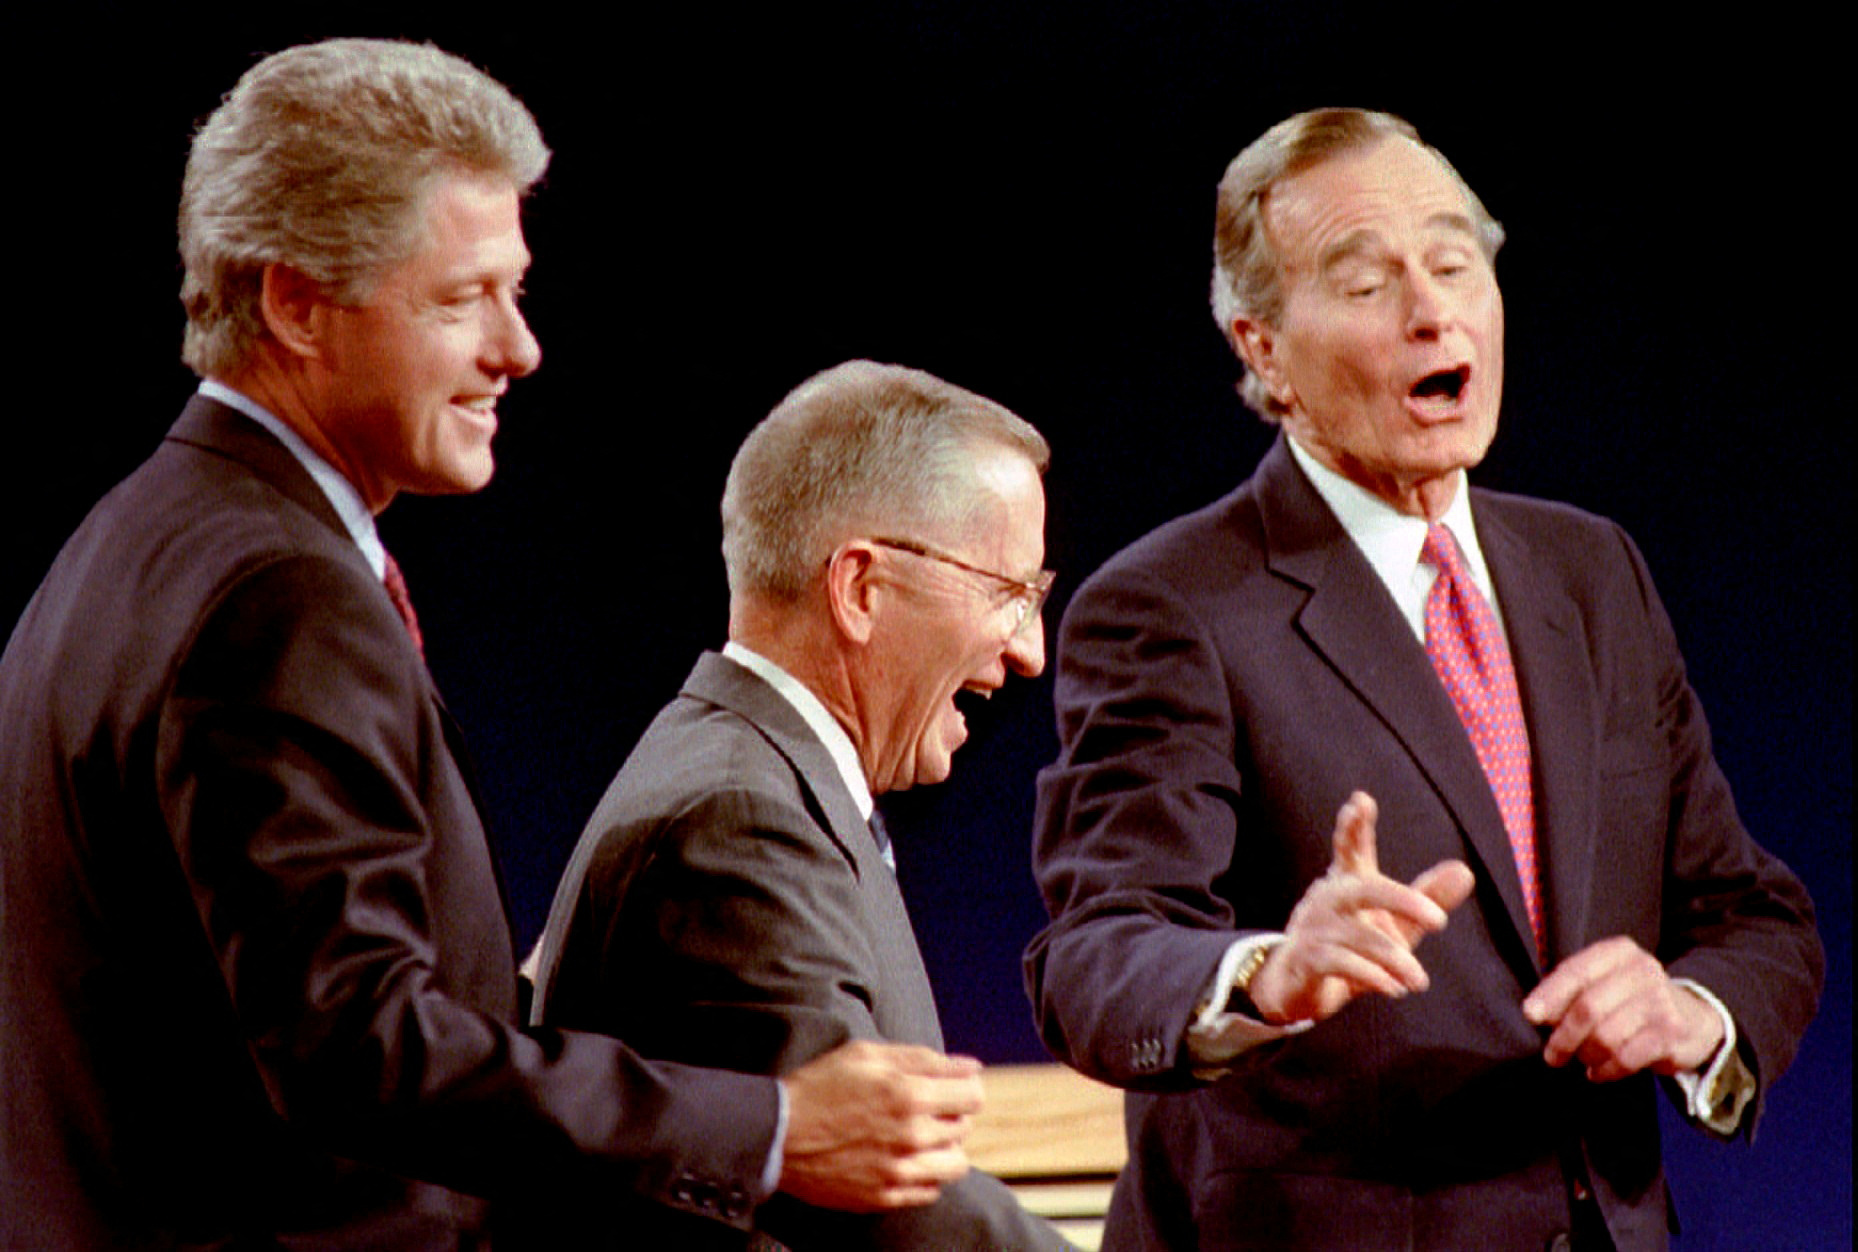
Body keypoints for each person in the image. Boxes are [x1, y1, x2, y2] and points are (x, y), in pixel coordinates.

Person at [0, 41, 984, 1250]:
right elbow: (354, 1049)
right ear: (295, 303)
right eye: (464, 298)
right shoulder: (278, 594)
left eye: (515, 293)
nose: (517, 349)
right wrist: (771, 1125)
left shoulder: (132, 541)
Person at [1022, 108, 1824, 1251]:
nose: (1431, 310)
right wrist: (1265, 972)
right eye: (1364, 282)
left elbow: (1754, 915)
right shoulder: (1170, 604)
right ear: (1259, 347)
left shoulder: (1590, 569)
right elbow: (1096, 952)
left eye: (1455, 263)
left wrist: (1688, 1012)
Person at [527, 360, 1073, 1250]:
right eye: (1007, 594)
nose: (1030, 651)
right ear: (861, 589)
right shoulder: (740, 822)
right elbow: (880, 1205)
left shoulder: (762, 780)